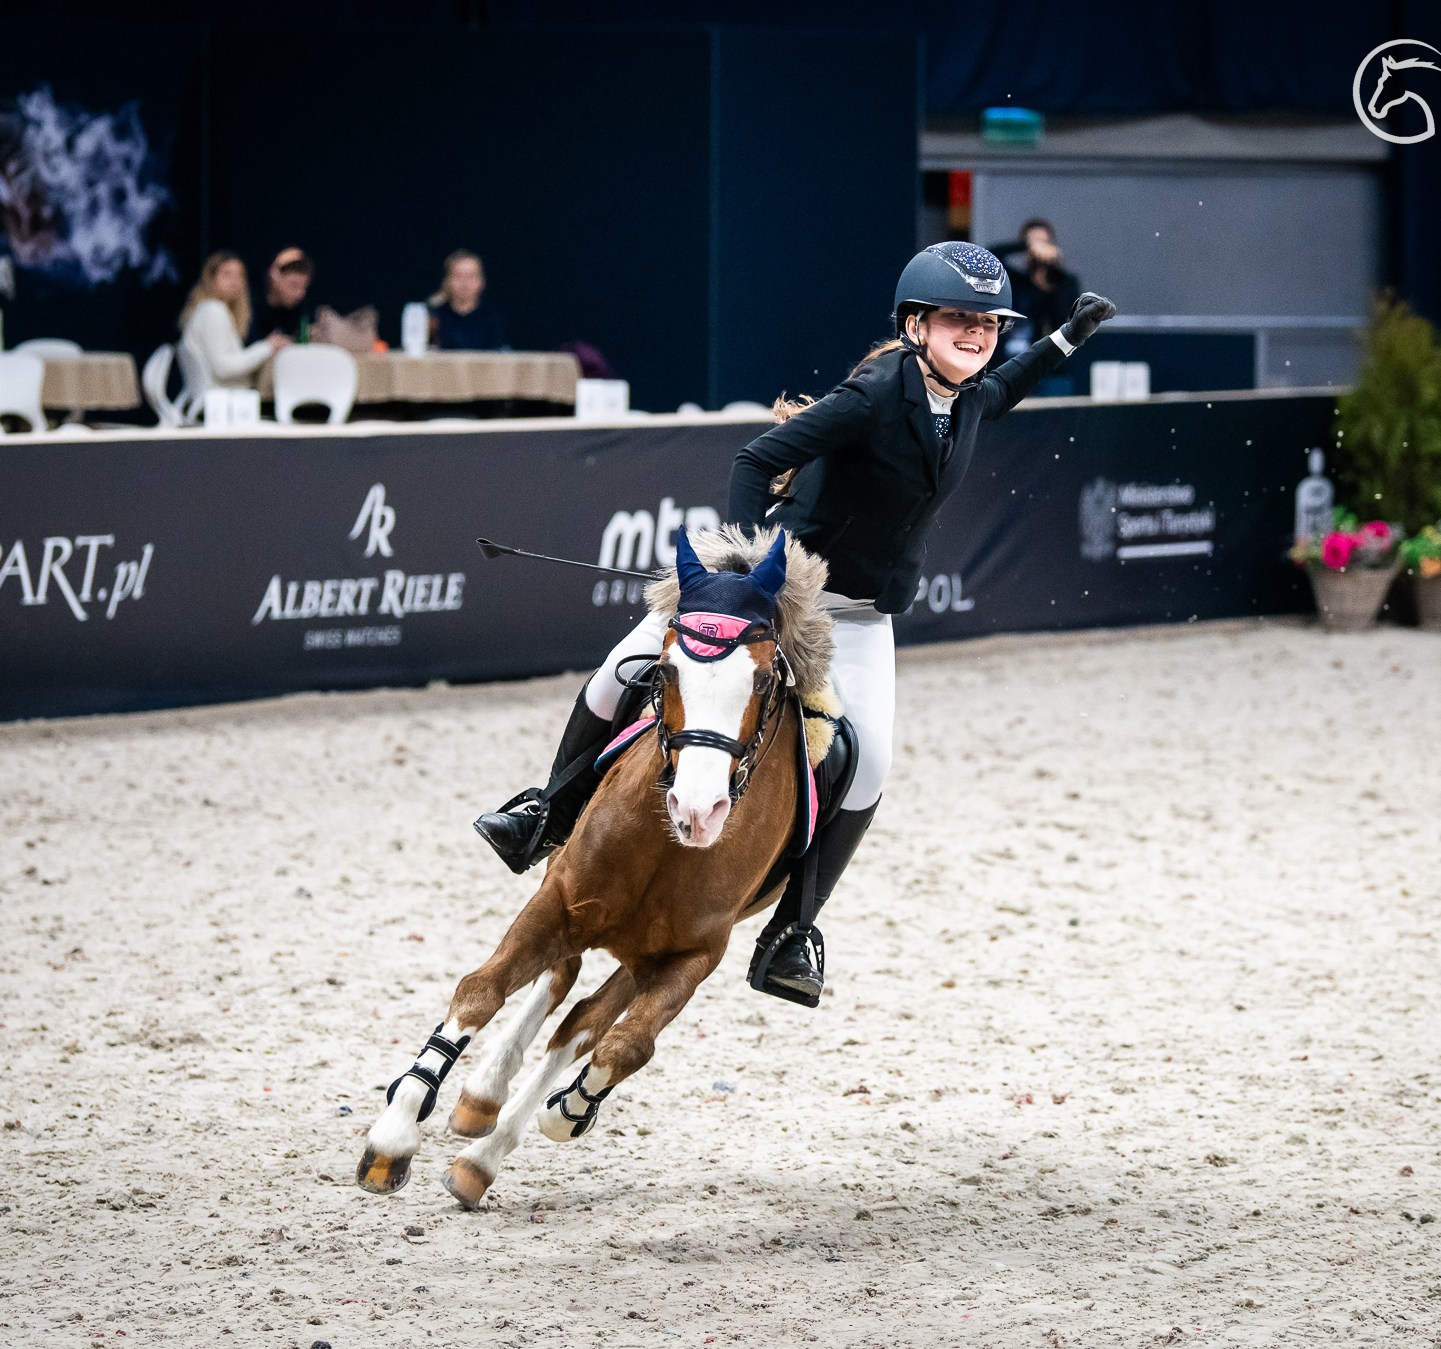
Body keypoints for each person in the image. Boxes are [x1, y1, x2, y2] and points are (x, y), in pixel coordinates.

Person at [473, 241, 1115, 1006]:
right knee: (620, 671)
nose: (977, 334)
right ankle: (546, 810)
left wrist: (1067, 337)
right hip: (782, 590)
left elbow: (1006, 385)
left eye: (988, 323)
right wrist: (743, 578)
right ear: (915, 325)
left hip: (861, 616)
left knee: (868, 763)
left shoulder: (967, 395)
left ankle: (792, 930)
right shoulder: (875, 393)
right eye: (958, 320)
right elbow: (754, 460)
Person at [178, 249, 290, 389]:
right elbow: (223, 367)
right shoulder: (214, 310)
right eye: (227, 274)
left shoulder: (209, 310)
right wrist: (268, 347)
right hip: (223, 396)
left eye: (240, 275)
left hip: (223, 394)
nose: (234, 281)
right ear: (211, 278)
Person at [993, 220, 1083, 360]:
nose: (1038, 248)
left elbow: (1064, 317)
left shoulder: (1065, 282)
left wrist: (1051, 269)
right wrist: (1026, 245)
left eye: (1043, 242)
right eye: (1033, 242)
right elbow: (992, 256)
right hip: (1010, 358)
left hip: (1050, 360)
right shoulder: (1016, 280)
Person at [427, 249, 508, 350]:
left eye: (471, 276)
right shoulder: (434, 318)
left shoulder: (494, 319)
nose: (465, 282)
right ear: (446, 280)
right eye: (458, 275)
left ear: (482, 281)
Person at [256, 248, 315, 344]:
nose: (300, 294)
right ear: (274, 277)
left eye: (304, 287)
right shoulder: (250, 306)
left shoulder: (301, 310)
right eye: (294, 285)